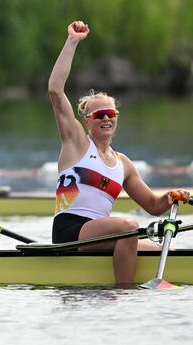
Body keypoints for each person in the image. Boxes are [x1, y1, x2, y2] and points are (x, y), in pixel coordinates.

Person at [48, 21, 190, 286]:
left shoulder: (123, 163)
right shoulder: (76, 144)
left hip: (102, 235)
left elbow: (153, 206)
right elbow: (55, 90)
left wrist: (171, 196)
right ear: (87, 121)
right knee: (128, 227)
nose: (106, 119)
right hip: (72, 232)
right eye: (99, 115)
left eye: (111, 114)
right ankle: (123, 292)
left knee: (163, 253)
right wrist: (72, 41)